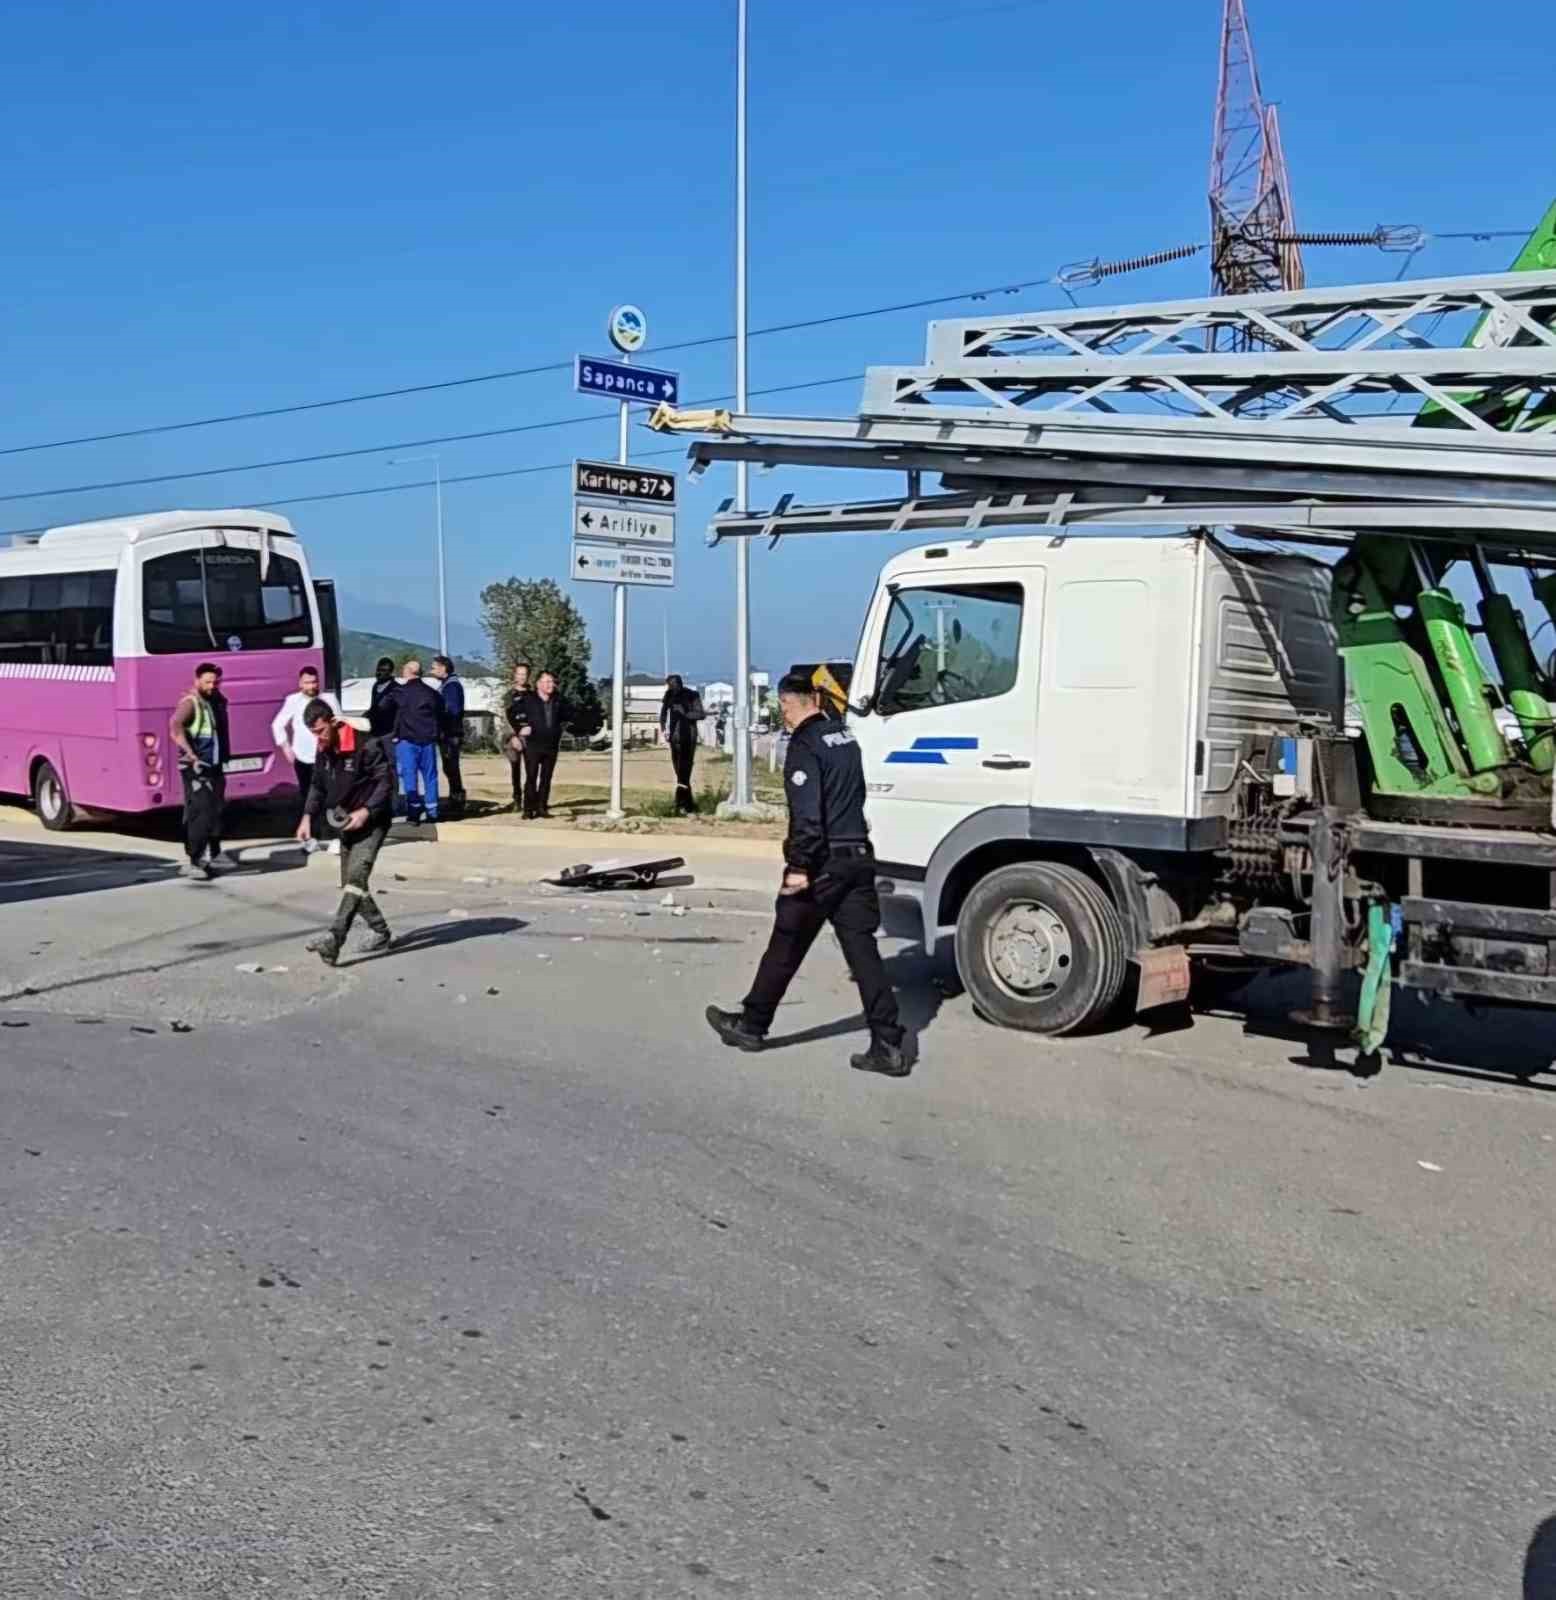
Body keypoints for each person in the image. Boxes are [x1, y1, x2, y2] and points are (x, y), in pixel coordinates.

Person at [706, 674, 907, 1076]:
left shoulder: (805, 745)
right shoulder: (843, 737)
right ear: (816, 697)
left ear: (786, 704)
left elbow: (808, 816)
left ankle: (751, 1025)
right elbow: (857, 795)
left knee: (786, 942)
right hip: (858, 855)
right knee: (863, 951)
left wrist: (799, 866)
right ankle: (888, 1044)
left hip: (822, 863)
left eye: (783, 708)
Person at [295, 701, 394, 965]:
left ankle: (334, 939)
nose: (318, 738)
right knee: (353, 884)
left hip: (373, 822)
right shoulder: (323, 749)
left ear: (333, 722)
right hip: (345, 822)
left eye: (321, 731)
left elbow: (386, 782)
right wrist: (306, 817)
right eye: (313, 733)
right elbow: (317, 786)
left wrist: (366, 811)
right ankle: (381, 932)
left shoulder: (365, 744)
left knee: (355, 879)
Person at [169, 662, 234, 879]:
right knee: (200, 813)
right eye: (207, 682)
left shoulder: (215, 701)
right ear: (197, 681)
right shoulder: (190, 703)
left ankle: (214, 854)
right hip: (196, 767)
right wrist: (190, 754)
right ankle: (195, 860)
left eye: (215, 682)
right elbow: (175, 726)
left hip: (214, 766)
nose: (212, 686)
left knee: (216, 811)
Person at [271, 665, 341, 852]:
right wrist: (286, 747)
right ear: (300, 683)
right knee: (308, 798)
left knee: (331, 797)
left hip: (327, 756)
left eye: (314, 682)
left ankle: (335, 837)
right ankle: (312, 837)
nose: (312, 686)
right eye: (307, 682)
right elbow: (277, 725)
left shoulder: (328, 699)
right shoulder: (292, 700)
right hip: (303, 758)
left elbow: (339, 722)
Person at [392, 659, 443, 825]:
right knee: (430, 776)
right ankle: (432, 812)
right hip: (428, 741)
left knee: (409, 777)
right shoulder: (432, 693)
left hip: (407, 741)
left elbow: (390, 712)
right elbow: (441, 712)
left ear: (408, 671)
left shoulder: (400, 692)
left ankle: (414, 812)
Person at [513, 669, 569, 819]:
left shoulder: (558, 700)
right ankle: (528, 809)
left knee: (546, 778)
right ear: (538, 684)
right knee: (531, 777)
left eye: (552, 682)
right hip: (533, 745)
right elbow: (512, 713)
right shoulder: (528, 699)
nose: (551, 685)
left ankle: (541, 808)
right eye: (547, 681)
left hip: (551, 745)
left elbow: (567, 715)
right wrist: (520, 728)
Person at [660, 673, 706, 814]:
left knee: (684, 770)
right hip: (674, 738)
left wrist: (685, 712)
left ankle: (680, 803)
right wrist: (663, 726)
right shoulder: (669, 695)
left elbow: (701, 714)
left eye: (673, 685)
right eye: (669, 685)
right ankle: (688, 804)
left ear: (679, 683)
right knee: (679, 771)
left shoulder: (692, 695)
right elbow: (663, 713)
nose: (671, 688)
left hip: (688, 737)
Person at [429, 654, 467, 816]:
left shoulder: (451, 686)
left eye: (434, 667)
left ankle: (457, 800)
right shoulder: (447, 685)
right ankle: (455, 798)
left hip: (450, 734)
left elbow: (452, 710)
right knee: (449, 767)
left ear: (443, 668)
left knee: (451, 767)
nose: (432, 671)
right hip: (448, 733)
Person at [502, 662, 533, 814]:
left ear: (528, 676)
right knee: (516, 769)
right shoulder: (509, 696)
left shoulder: (533, 695)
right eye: (519, 674)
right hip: (514, 738)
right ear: (514, 675)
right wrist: (513, 736)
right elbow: (505, 718)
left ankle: (530, 800)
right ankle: (517, 799)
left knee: (531, 770)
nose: (522, 677)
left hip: (531, 737)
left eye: (524, 674)